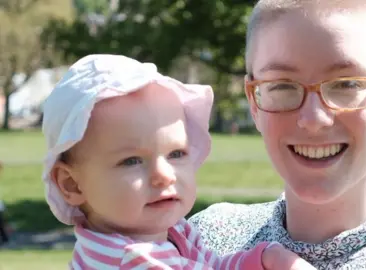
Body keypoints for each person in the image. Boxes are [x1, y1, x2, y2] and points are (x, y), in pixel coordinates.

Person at [189, 0, 366, 269]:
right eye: (282, 85)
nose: (313, 120)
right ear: (254, 102)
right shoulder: (201, 240)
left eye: (347, 84)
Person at [41, 54, 315, 269]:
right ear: (72, 184)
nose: (164, 175)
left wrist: (266, 258)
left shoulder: (173, 230)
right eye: (131, 161)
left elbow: (213, 266)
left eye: (176, 154)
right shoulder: (130, 260)